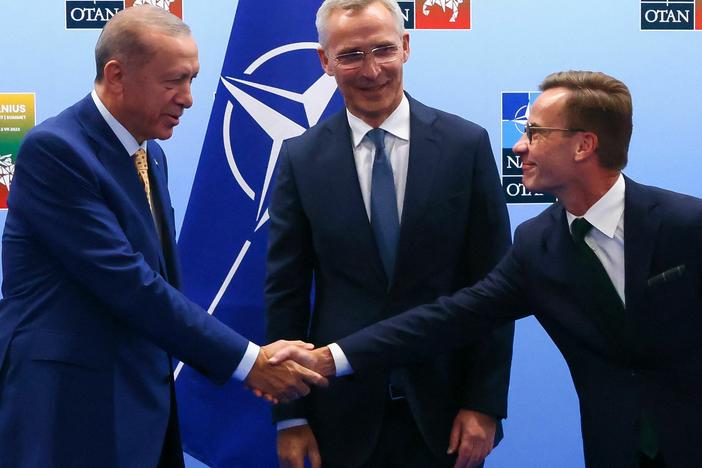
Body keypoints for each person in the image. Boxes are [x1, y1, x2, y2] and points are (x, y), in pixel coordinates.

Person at [271, 71, 702, 468]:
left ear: (583, 145)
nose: (518, 146)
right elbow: (450, 318)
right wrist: (330, 358)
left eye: (534, 132)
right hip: (617, 451)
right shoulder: (539, 246)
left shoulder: (686, 225)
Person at [0, 6, 326, 468]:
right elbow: (129, 283)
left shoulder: (150, 155)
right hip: (67, 406)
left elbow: (159, 285)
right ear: (117, 76)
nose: (189, 98)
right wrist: (248, 360)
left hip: (140, 402)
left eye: (193, 79)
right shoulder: (56, 151)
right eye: (174, 80)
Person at [265, 1, 514, 467]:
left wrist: (484, 403)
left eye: (383, 49)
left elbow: (495, 289)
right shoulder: (301, 160)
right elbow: (287, 294)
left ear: (405, 47)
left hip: (447, 414)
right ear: (325, 62)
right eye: (351, 55)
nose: (372, 70)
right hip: (339, 415)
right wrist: (291, 417)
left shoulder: (467, 146)